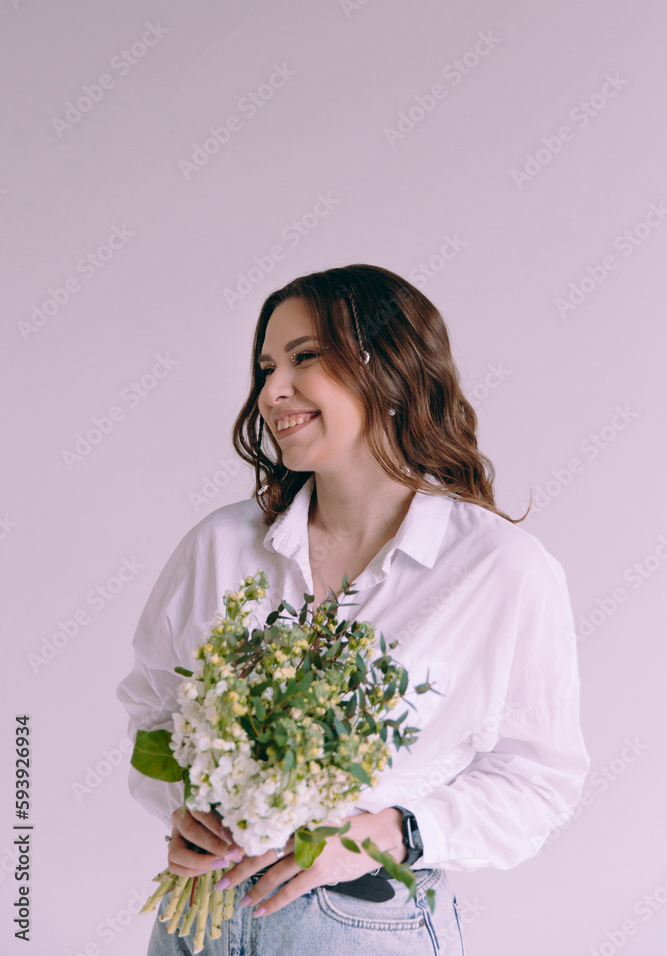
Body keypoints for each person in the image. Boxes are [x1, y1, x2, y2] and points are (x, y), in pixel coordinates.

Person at [117, 263, 590, 955]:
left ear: (391, 369)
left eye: (304, 357)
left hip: (364, 926)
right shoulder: (219, 547)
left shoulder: (499, 569)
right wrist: (182, 809)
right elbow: (153, 712)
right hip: (199, 922)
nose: (273, 390)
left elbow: (539, 781)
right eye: (265, 367)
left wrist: (392, 833)